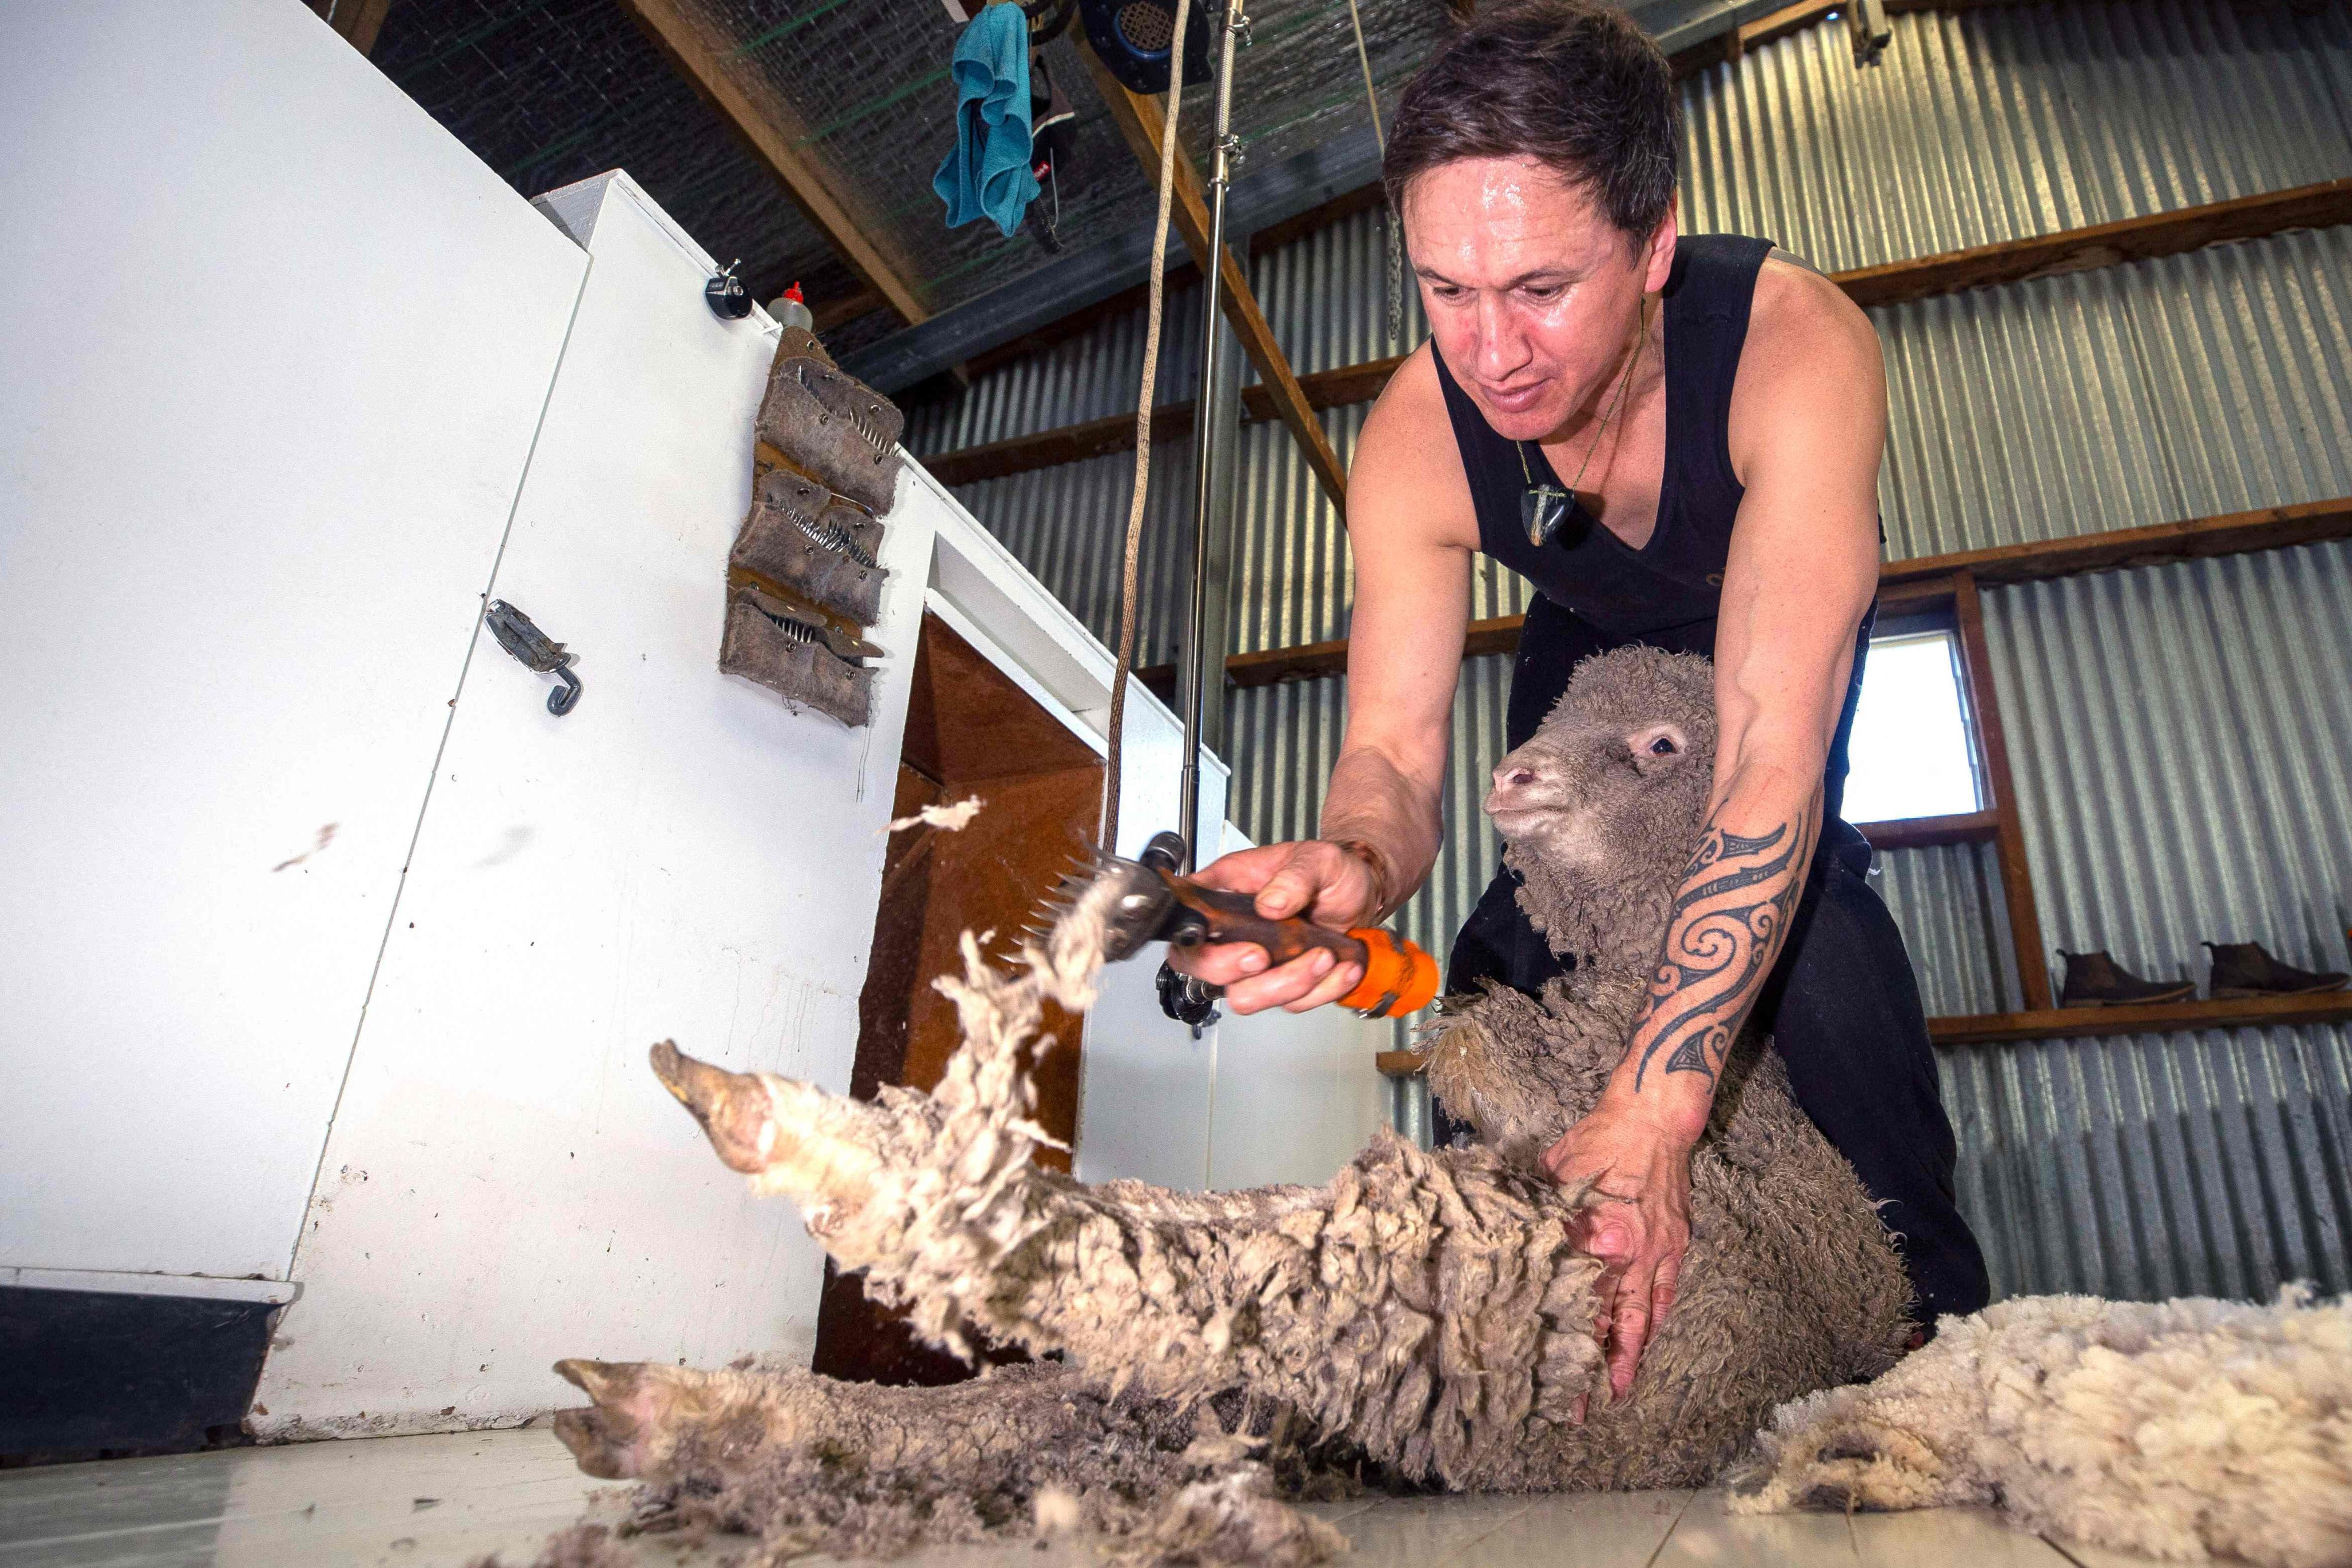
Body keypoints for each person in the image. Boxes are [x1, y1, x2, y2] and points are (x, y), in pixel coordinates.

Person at [1169, 0, 1991, 1404]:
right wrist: (1350, 863)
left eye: (1540, 288)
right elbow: (1387, 750)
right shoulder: (1422, 437)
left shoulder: (1792, 349)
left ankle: (1939, 1337)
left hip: (1751, 670)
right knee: (1504, 982)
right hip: (1586, 666)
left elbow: (1771, 753)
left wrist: (1659, 1105)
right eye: (1443, 290)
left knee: (1825, 959)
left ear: (1654, 243)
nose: (1489, 352)